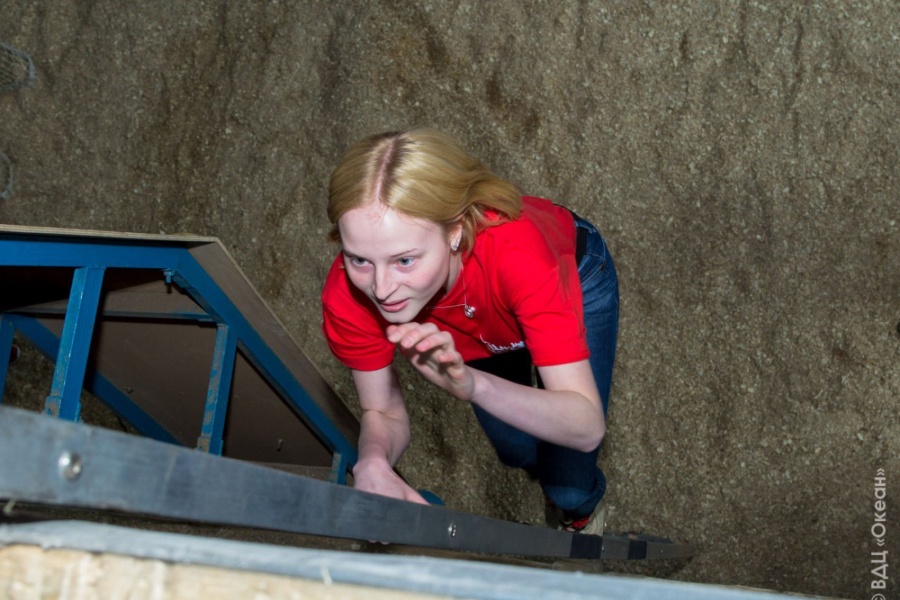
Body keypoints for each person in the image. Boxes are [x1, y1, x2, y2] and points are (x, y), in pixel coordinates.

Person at [321, 129, 619, 534]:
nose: (381, 289)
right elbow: (382, 411)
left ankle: (580, 514)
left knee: (568, 487)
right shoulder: (348, 296)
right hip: (481, 332)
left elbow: (586, 427)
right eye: (359, 259)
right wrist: (373, 461)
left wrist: (476, 386)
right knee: (514, 450)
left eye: (404, 260)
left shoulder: (520, 256)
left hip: (573, 280)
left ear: (455, 230)